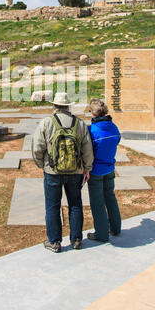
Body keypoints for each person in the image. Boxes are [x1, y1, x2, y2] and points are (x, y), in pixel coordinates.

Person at [32, 92, 94, 253]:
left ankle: (55, 242)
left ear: (54, 106)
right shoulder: (79, 124)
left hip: (52, 171)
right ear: (68, 106)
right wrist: (87, 168)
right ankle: (76, 239)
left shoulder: (46, 123)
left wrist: (42, 165)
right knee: (75, 205)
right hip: (76, 171)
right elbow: (88, 149)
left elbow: (37, 147)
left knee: (52, 206)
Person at [87, 98, 122, 243]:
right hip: (109, 168)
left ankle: (101, 233)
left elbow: (87, 151)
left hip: (96, 170)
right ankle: (115, 227)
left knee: (97, 202)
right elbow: (117, 140)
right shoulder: (114, 127)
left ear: (93, 113)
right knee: (110, 197)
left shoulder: (92, 130)